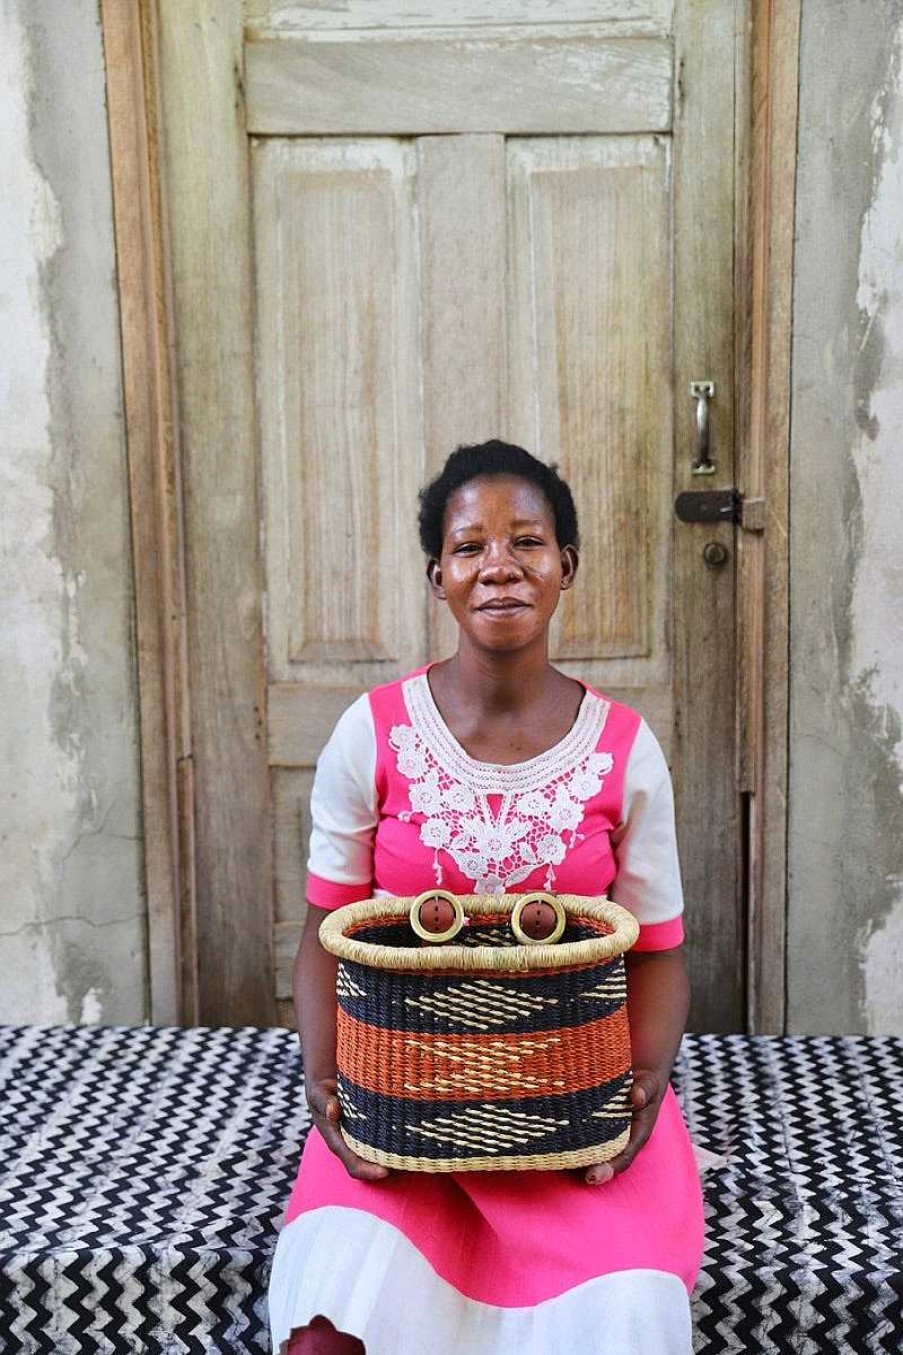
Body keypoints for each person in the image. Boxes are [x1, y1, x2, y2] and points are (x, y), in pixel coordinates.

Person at [268, 441, 704, 1355]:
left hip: (569, 1117)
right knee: (329, 1326)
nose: (498, 564)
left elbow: (657, 946)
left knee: (615, 1322)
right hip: (402, 1112)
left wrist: (640, 1092)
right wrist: (326, 1078)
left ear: (565, 567)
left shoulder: (624, 749)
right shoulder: (373, 732)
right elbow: (324, 926)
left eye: (527, 541)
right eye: (469, 546)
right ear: (438, 577)